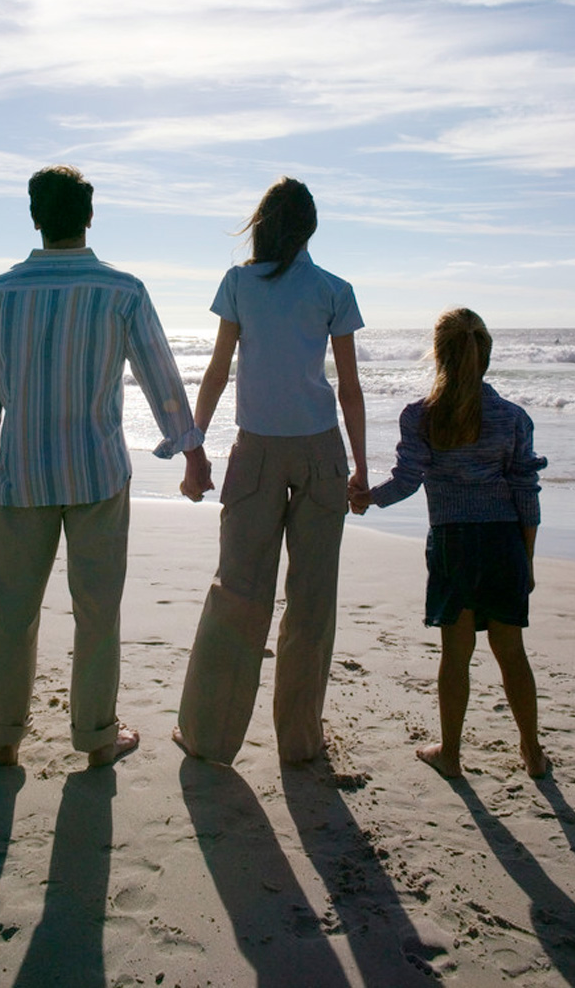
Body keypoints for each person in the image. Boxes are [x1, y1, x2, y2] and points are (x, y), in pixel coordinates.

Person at [0, 165, 211, 769]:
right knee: (97, 611)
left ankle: (4, 737)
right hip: (96, 472)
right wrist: (191, 450)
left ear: (34, 217)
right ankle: (97, 737)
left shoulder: (0, 292)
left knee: (13, 611)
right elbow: (160, 374)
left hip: (22, 475)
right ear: (90, 217)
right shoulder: (121, 290)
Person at [173, 177, 368, 766]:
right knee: (311, 601)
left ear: (262, 224)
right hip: (320, 452)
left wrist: (194, 445)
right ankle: (300, 743)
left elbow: (216, 371)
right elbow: (350, 388)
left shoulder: (238, 284)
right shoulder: (334, 288)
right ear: (309, 229)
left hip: (255, 451)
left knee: (238, 592)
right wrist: (361, 465)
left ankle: (209, 737)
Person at [351, 307, 549, 779]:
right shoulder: (512, 418)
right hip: (504, 542)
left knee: (455, 656)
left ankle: (452, 755)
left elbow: (406, 480)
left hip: (453, 544)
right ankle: (533, 753)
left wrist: (366, 499)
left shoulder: (422, 416)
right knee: (512, 653)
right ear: (486, 356)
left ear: (438, 356)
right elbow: (526, 492)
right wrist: (529, 558)